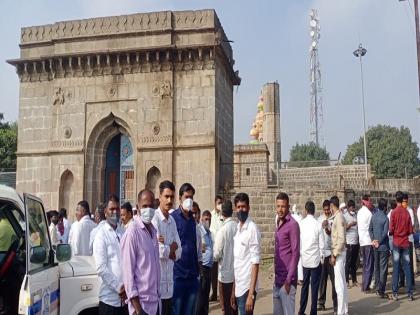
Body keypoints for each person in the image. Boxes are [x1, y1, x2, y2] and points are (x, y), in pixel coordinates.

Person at [121, 189, 160, 315]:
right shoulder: (132, 233)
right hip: (141, 307)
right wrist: (138, 309)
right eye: (145, 206)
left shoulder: (153, 231)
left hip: (155, 303)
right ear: (137, 208)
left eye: (151, 206)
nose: (148, 209)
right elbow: (128, 275)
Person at [151, 180, 182, 315]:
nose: (169, 200)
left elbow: (180, 250)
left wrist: (167, 248)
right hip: (156, 289)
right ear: (160, 197)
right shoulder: (154, 219)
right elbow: (157, 250)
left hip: (170, 287)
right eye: (166, 196)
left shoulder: (172, 221)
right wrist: (171, 248)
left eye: (171, 197)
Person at [93, 196, 127, 315]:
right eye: (112, 209)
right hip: (109, 301)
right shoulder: (101, 235)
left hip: (126, 300)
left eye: (117, 209)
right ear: (105, 212)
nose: (115, 212)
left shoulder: (123, 232)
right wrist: (119, 287)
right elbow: (101, 268)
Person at [171, 183, 201, 315]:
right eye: (186, 196)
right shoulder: (173, 219)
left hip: (192, 276)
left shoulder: (192, 221)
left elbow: (195, 246)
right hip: (177, 276)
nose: (189, 200)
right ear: (180, 198)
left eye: (191, 197)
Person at [231, 193, 261, 315]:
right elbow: (237, 262)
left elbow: (255, 263)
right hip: (238, 286)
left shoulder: (252, 229)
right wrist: (233, 290)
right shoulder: (238, 229)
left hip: (247, 288)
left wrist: (251, 295)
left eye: (243, 206)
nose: (241, 210)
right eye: (238, 207)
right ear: (234, 209)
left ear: (248, 208)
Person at [272, 192, 299, 315]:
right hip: (277, 280)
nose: (280, 209)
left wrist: (288, 281)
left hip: (287, 282)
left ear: (288, 207)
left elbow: (295, 253)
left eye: (283, 206)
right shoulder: (278, 222)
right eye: (278, 206)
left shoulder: (293, 225)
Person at [298, 201, 324, 315]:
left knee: (304, 287)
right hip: (315, 260)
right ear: (314, 211)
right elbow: (321, 245)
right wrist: (322, 259)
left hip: (305, 260)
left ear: (305, 210)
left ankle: (301, 310)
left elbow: (299, 242)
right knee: (314, 288)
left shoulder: (301, 224)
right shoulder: (318, 224)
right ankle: (313, 311)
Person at [213, 200, 238, 315]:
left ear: (222, 213)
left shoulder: (222, 231)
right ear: (232, 211)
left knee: (226, 307)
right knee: (235, 307)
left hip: (225, 276)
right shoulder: (238, 227)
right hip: (237, 274)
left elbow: (216, 254)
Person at [390, 191, 414, 301]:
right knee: (407, 267)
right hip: (405, 242)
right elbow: (410, 230)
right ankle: (410, 293)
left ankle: (395, 293)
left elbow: (391, 229)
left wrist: (395, 232)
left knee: (396, 267)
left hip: (396, 242)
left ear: (396, 200)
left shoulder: (393, 213)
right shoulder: (407, 213)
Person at [317, 200, 337, 313]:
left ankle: (335, 304)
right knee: (322, 280)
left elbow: (335, 234)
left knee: (334, 281)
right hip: (322, 254)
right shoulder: (319, 219)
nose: (327, 211)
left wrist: (328, 229)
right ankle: (321, 302)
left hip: (331, 253)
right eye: (325, 210)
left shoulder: (334, 219)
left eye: (328, 209)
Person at [329, 196, 348, 315]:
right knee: (342, 283)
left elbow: (341, 239)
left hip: (339, 253)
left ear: (332, 206)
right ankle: (344, 310)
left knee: (339, 285)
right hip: (340, 252)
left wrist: (334, 255)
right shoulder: (337, 217)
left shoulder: (339, 217)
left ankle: (341, 311)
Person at [368, 198, 389, 298]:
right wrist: (379, 242)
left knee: (376, 268)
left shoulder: (374, 216)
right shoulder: (385, 218)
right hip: (383, 246)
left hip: (375, 246)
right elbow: (385, 233)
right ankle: (381, 290)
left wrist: (373, 240)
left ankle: (377, 288)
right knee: (383, 269)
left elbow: (370, 229)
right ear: (385, 207)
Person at [196, 210, 213, 315]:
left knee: (206, 296)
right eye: (206, 219)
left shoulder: (209, 233)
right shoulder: (199, 231)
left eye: (209, 219)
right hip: (203, 266)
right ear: (202, 219)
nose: (208, 221)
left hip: (209, 267)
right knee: (201, 297)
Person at [357, 194, 374, 293]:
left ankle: (364, 284)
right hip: (368, 241)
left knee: (365, 265)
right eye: (370, 201)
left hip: (362, 241)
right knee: (368, 265)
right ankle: (366, 286)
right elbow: (371, 228)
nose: (370, 203)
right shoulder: (369, 213)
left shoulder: (359, 212)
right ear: (366, 201)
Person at [210, 195, 224, 302]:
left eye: (221, 203)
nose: (220, 205)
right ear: (215, 203)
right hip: (214, 247)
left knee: (222, 272)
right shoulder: (210, 215)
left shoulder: (223, 216)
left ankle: (222, 294)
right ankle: (214, 293)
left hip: (222, 248)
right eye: (218, 203)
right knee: (213, 273)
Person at [343, 200, 359, 288]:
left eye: (354, 207)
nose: (353, 209)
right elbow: (343, 228)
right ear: (348, 208)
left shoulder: (356, 215)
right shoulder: (345, 216)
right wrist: (351, 224)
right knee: (348, 263)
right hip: (349, 242)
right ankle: (346, 281)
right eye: (351, 207)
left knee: (354, 262)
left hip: (356, 241)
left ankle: (354, 280)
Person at [402, 193, 416, 288]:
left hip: (409, 240)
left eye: (405, 201)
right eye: (403, 201)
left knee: (409, 262)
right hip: (401, 240)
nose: (404, 203)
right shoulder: (399, 210)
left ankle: (411, 282)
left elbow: (412, 224)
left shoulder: (410, 210)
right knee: (402, 263)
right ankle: (402, 283)